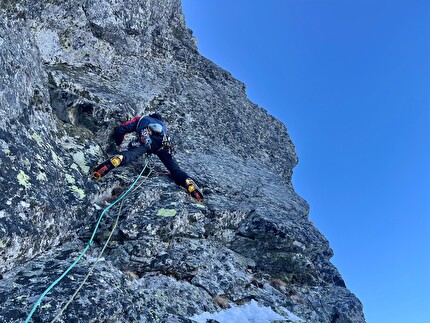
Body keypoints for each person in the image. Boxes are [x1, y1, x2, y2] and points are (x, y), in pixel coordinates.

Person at [92, 113, 204, 202]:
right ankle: (188, 182)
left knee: (130, 154)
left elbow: (121, 129)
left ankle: (118, 159)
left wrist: (118, 143)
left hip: (146, 144)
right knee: (175, 170)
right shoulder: (163, 126)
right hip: (163, 146)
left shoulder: (142, 119)